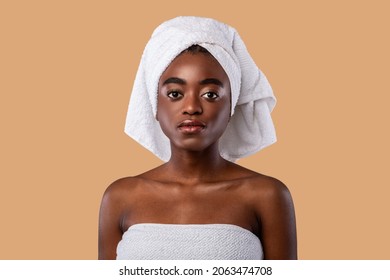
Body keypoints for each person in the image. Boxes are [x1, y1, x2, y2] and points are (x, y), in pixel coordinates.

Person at [98, 16, 297, 260]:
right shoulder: (120, 197)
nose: (191, 106)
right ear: (154, 105)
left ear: (231, 106)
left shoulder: (266, 195)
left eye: (210, 94)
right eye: (174, 93)